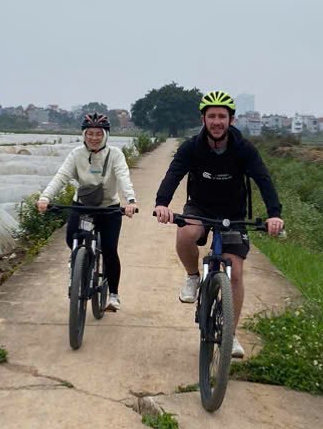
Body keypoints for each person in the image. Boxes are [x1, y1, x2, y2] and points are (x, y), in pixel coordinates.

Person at [153, 90, 283, 358]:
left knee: (235, 272)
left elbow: (263, 179)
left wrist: (274, 214)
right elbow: (174, 174)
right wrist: (162, 203)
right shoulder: (191, 147)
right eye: (211, 116)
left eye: (222, 116)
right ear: (203, 119)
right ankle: (192, 277)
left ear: (231, 120)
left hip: (233, 212)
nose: (216, 121)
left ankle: (230, 335)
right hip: (200, 206)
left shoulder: (244, 149)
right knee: (186, 234)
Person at [37, 113, 137, 311]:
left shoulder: (115, 154)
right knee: (72, 238)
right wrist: (45, 197)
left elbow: (123, 176)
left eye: (98, 134)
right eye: (89, 133)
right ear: (84, 134)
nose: (94, 138)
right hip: (82, 207)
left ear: (106, 135)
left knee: (109, 250)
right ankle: (80, 260)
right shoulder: (76, 154)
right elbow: (61, 176)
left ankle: (114, 294)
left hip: (109, 209)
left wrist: (131, 200)